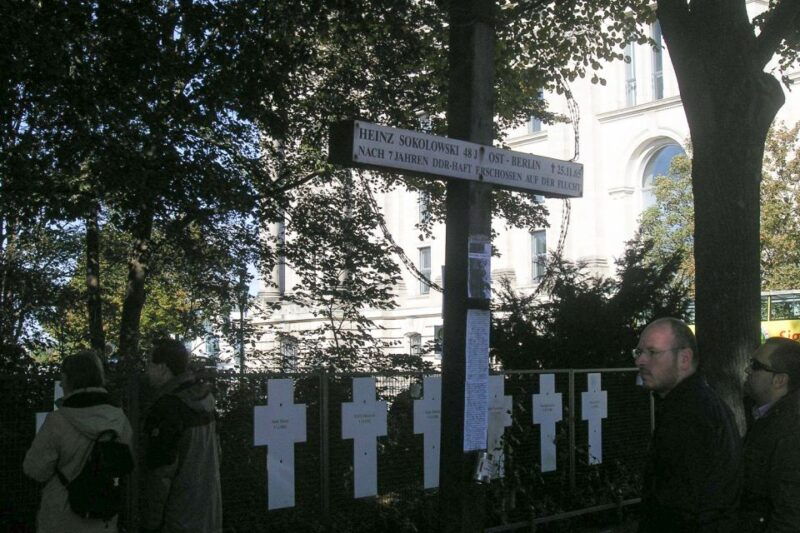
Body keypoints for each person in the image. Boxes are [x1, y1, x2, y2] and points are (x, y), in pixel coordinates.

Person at [634, 317, 741, 532]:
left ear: (684, 359)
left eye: (652, 352)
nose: (640, 361)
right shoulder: (698, 402)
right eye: (638, 352)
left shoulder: (688, 414)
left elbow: (678, 504)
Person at [23, 350, 133, 533]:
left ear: (66, 379)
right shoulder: (119, 419)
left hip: (61, 516)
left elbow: (34, 470)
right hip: (104, 515)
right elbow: (126, 463)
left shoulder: (57, 421)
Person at [141, 338, 222, 533]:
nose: (146, 371)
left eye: (149, 364)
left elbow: (161, 474)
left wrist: (151, 524)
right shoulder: (204, 400)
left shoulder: (168, 408)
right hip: (208, 513)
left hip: (177, 519)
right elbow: (218, 454)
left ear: (162, 367)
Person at [740, 336, 800, 531]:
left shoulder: (790, 432)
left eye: (756, 365)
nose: (747, 369)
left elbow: (790, 514)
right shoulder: (763, 415)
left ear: (779, 380)